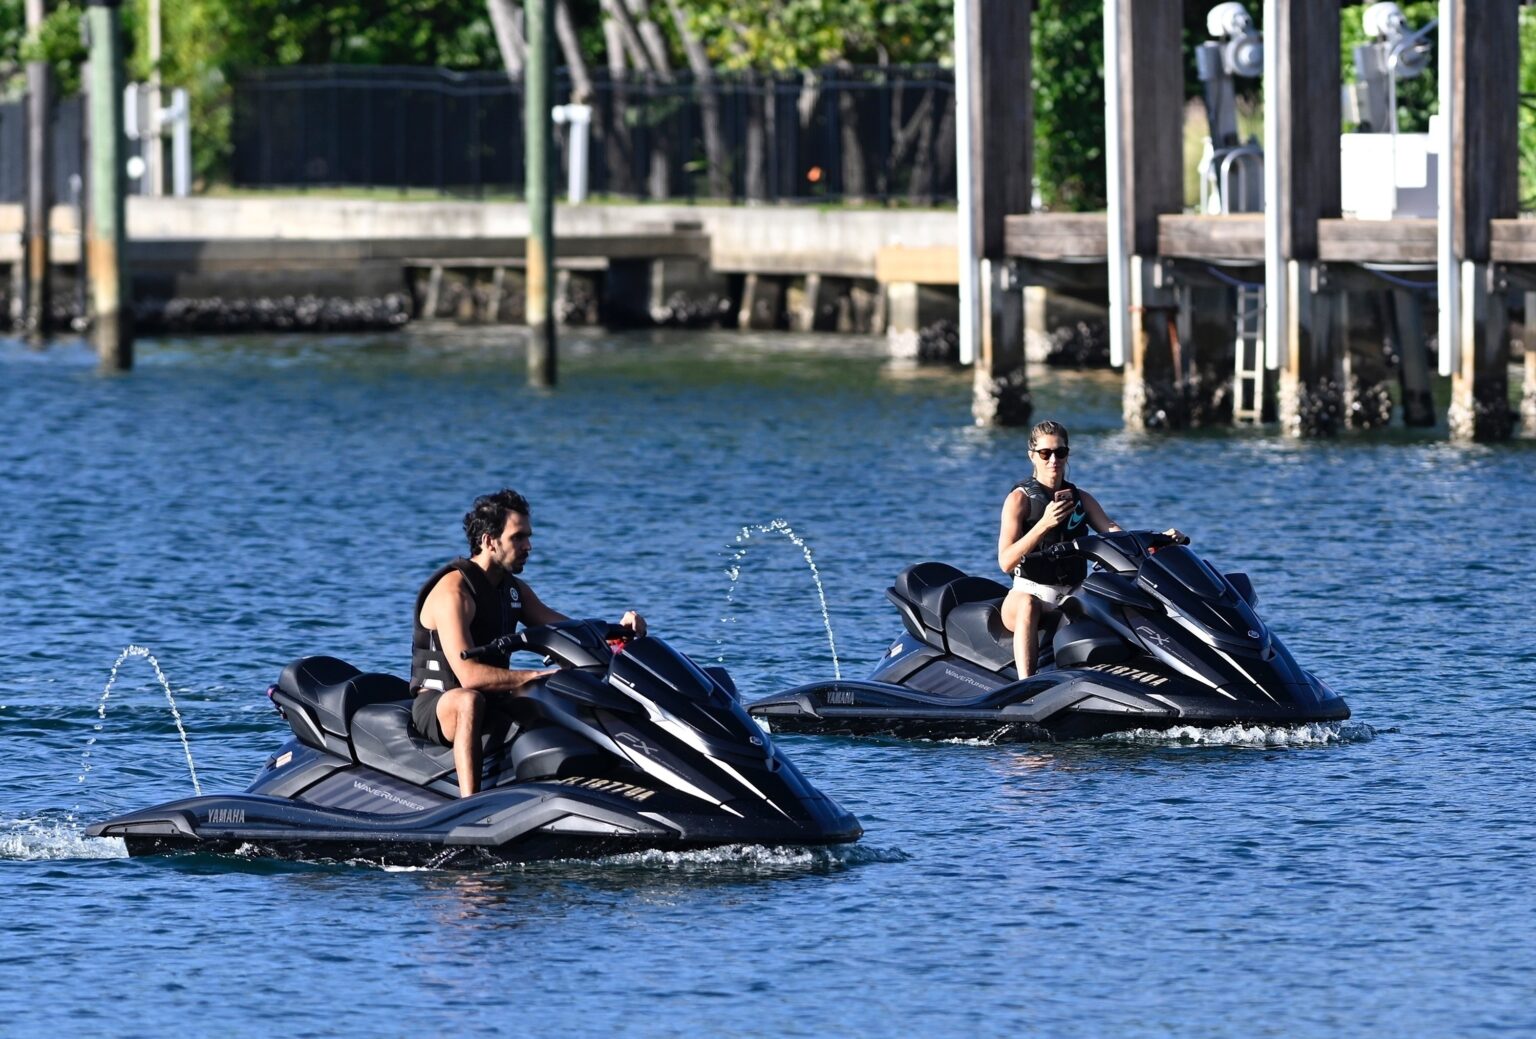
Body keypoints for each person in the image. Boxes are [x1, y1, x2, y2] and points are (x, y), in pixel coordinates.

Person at [410, 489, 646, 797]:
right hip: (440, 704)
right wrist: (534, 676)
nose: (528, 546)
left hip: (491, 696)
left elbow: (567, 630)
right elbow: (468, 677)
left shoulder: (513, 591)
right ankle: (469, 805)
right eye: (518, 538)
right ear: (489, 541)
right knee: (469, 700)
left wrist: (619, 630)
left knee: (558, 696)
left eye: (528, 537)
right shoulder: (454, 593)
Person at [996, 421, 1181, 679]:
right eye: (1045, 453)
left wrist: (1160, 540)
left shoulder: (1081, 498)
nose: (1053, 460)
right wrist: (1044, 524)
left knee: (1118, 600)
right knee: (1028, 605)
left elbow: (1114, 532)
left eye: (1060, 453)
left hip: (1072, 595)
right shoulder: (1019, 500)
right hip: (1028, 592)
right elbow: (1005, 561)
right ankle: (1026, 685)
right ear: (1032, 455)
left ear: (1067, 454)